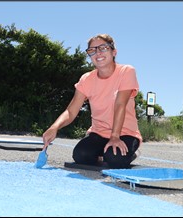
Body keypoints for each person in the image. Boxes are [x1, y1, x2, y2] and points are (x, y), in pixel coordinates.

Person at [42, 33, 142, 169]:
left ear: (114, 51)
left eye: (103, 48)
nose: (98, 53)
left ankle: (131, 152)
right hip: (99, 133)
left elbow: (120, 104)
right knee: (81, 155)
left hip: (125, 133)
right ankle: (102, 153)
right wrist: (54, 127)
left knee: (115, 159)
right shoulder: (86, 79)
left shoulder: (126, 71)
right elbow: (71, 111)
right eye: (92, 50)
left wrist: (114, 137)